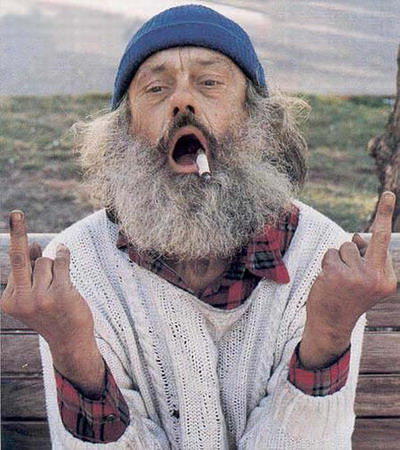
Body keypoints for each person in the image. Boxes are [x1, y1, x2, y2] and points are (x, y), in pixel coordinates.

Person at [1, 4, 397, 449]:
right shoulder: (76, 268)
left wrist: (329, 334)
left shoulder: (322, 258)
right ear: (123, 131)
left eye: (209, 83)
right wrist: (73, 351)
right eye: (156, 88)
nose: (182, 101)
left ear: (257, 120)